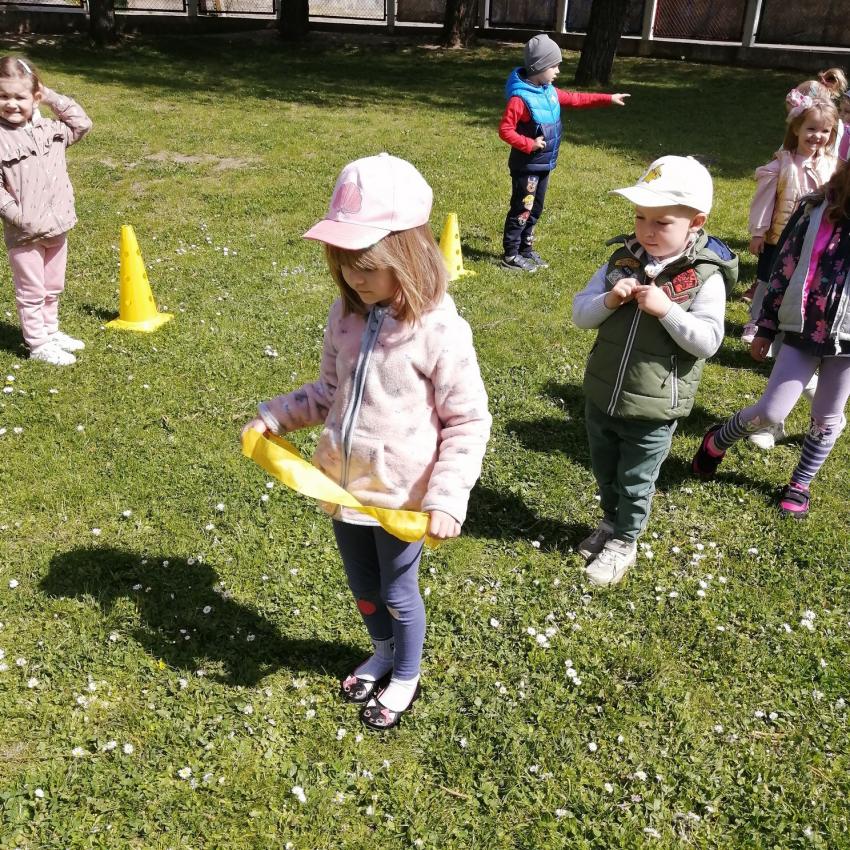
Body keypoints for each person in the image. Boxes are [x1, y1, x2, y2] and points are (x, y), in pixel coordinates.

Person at [242, 154, 491, 730]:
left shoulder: (440, 331)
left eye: (367, 264)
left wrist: (448, 497)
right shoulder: (345, 315)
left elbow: (468, 421)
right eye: (343, 261)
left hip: (402, 497)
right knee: (363, 585)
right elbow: (329, 392)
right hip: (344, 487)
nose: (354, 276)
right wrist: (275, 417)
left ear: (409, 254)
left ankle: (405, 673)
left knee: (399, 593)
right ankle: (381, 650)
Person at [572, 156, 738, 587]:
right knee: (605, 468)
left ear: (695, 223)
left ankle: (625, 541)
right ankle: (610, 522)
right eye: (640, 217)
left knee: (636, 479)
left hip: (654, 407)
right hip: (603, 393)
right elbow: (580, 314)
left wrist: (667, 311)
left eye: (662, 222)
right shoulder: (623, 261)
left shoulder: (705, 277)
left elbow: (708, 341)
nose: (647, 231)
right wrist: (609, 300)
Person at [692, 162, 850, 519]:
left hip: (847, 342)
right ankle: (717, 440)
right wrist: (765, 326)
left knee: (827, 419)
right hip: (801, 328)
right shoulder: (815, 210)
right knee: (771, 411)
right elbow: (783, 268)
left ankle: (800, 484)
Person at [740, 94, 839, 447]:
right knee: (781, 326)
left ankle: (823, 406)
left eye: (825, 131)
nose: (817, 137)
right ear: (796, 128)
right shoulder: (781, 164)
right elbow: (765, 202)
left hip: (820, 263)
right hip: (782, 253)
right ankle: (775, 419)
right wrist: (758, 232)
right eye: (811, 128)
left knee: (799, 336)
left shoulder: (835, 168)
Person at [498, 33, 629, 273]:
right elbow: (505, 130)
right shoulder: (520, 99)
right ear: (539, 67)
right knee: (522, 210)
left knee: (535, 209)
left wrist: (608, 98)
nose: (558, 70)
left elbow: (577, 99)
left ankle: (526, 249)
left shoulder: (549, 91)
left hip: (544, 165)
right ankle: (511, 254)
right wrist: (529, 144)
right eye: (554, 65)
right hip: (527, 168)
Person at [0, 56, 92, 365]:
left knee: (53, 286)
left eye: (19, 97)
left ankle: (51, 332)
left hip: (58, 224)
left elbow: (82, 124)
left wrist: (50, 96)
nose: (11, 104)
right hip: (25, 233)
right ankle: (38, 345)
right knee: (31, 291)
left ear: (35, 97)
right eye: (3, 96)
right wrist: (17, 216)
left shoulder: (50, 130)